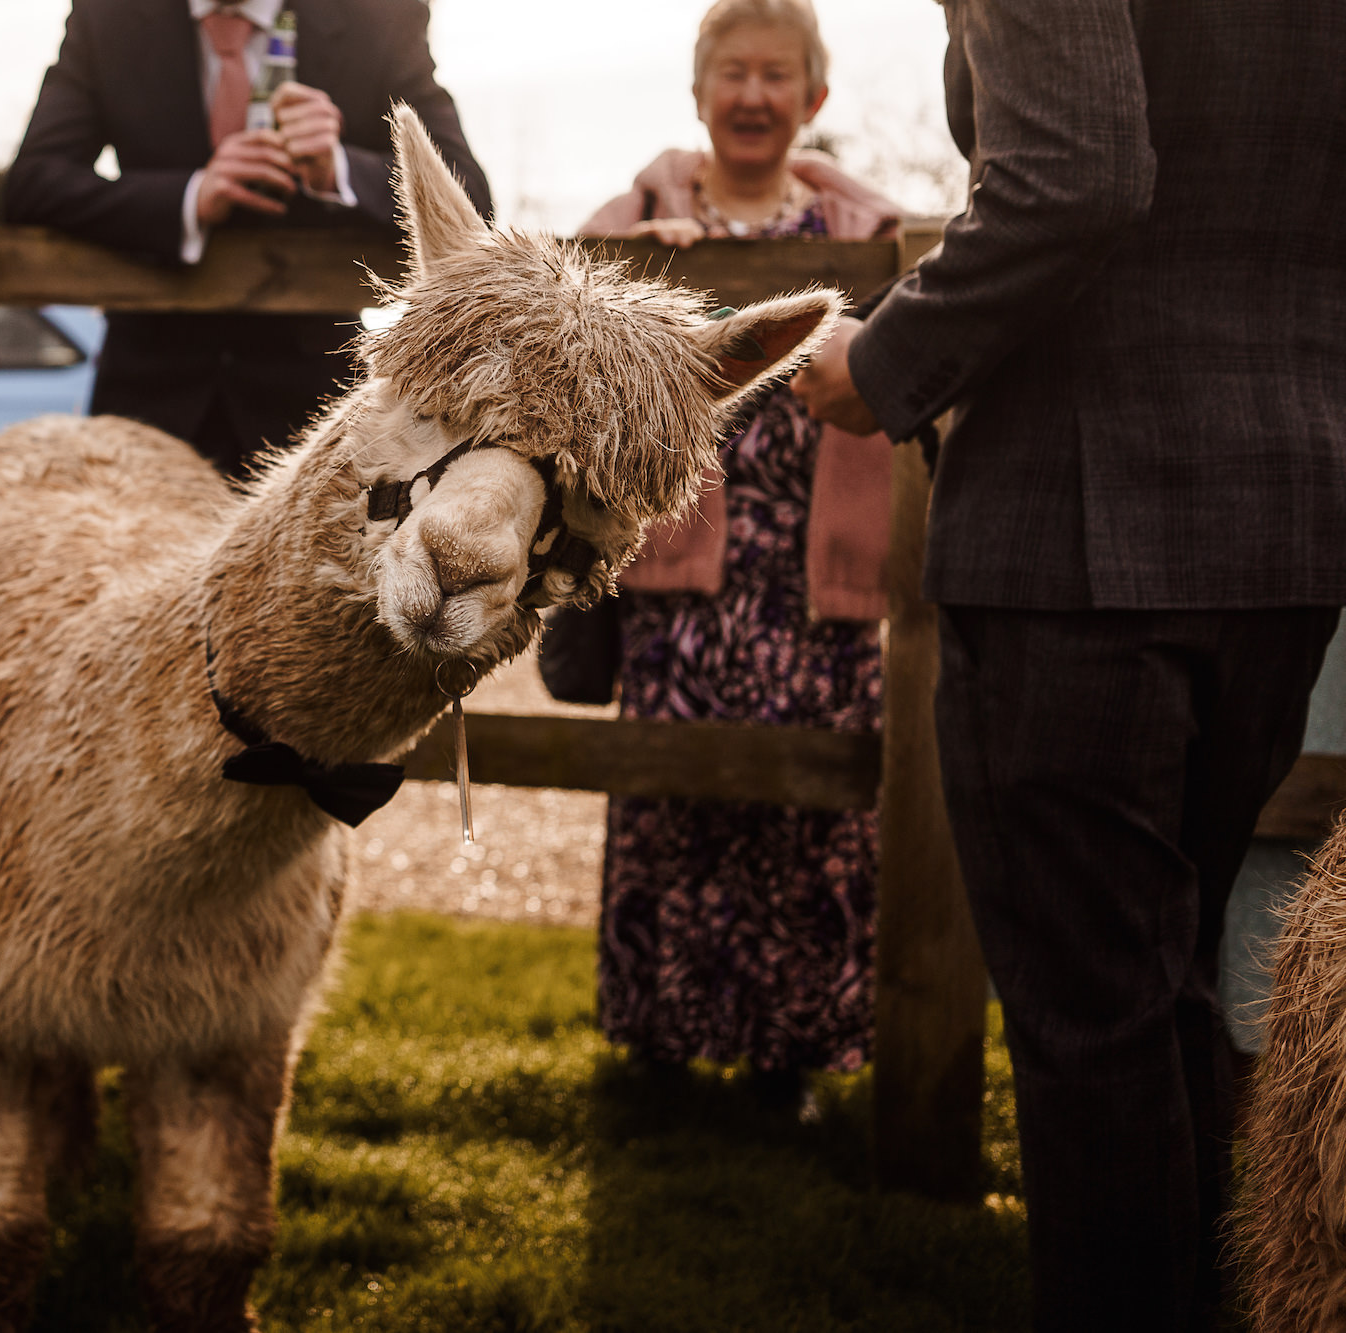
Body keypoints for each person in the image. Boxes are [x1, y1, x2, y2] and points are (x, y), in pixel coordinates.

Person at [791, 0, 1346, 1326]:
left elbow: (1076, 172)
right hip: (1286, 510)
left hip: (1082, 525)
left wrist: (880, 361)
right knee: (1162, 995)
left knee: (1097, 1029)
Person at [577, 0, 900, 1108]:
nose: (752, 96)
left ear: (811, 99)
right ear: (698, 92)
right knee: (676, 810)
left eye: (777, 77)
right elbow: (567, 309)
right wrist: (627, 265)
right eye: (732, 74)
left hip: (814, 583)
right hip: (685, 581)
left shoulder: (869, 235)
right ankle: (658, 1047)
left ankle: (789, 1057)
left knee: (812, 824)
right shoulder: (642, 218)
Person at [0, 0, 491, 476]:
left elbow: (469, 193)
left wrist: (338, 168)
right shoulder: (108, 13)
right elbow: (32, 183)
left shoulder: (378, 14)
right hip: (146, 406)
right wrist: (190, 197)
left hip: (314, 411)